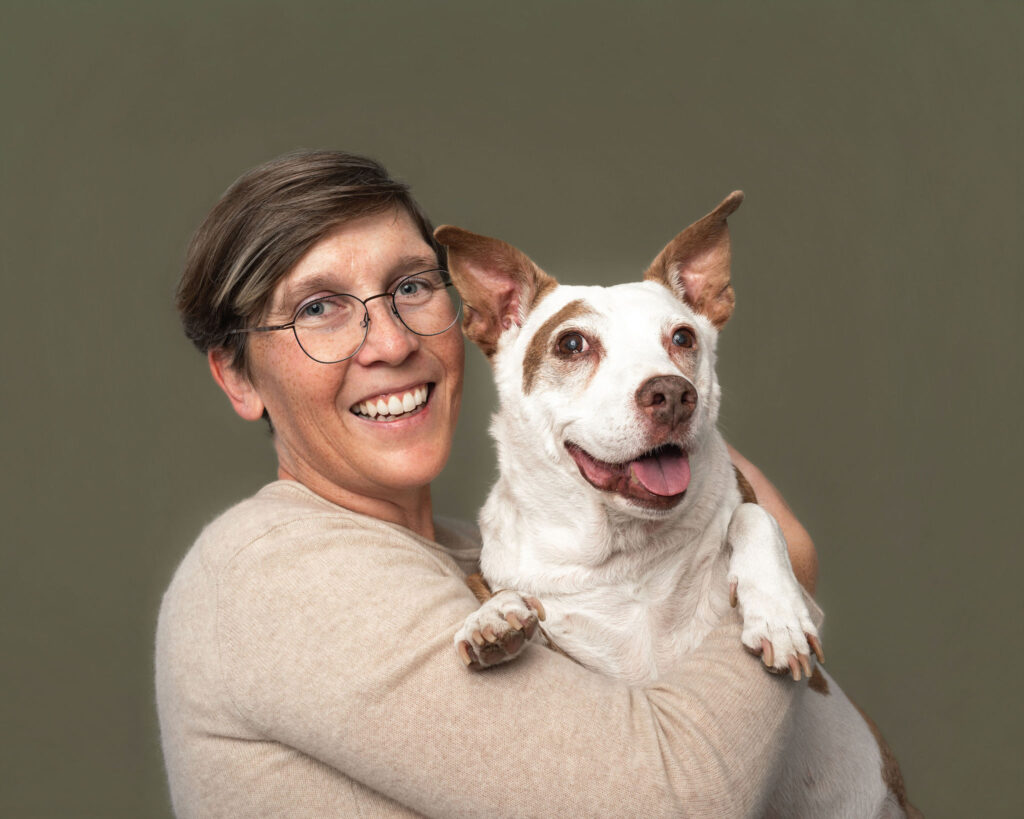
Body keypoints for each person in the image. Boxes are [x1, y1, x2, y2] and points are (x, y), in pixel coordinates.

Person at [156, 149, 820, 818]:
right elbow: (670, 801)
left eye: (411, 287)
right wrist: (780, 565)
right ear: (238, 377)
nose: (390, 342)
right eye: (319, 306)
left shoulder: (494, 562)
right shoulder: (273, 571)